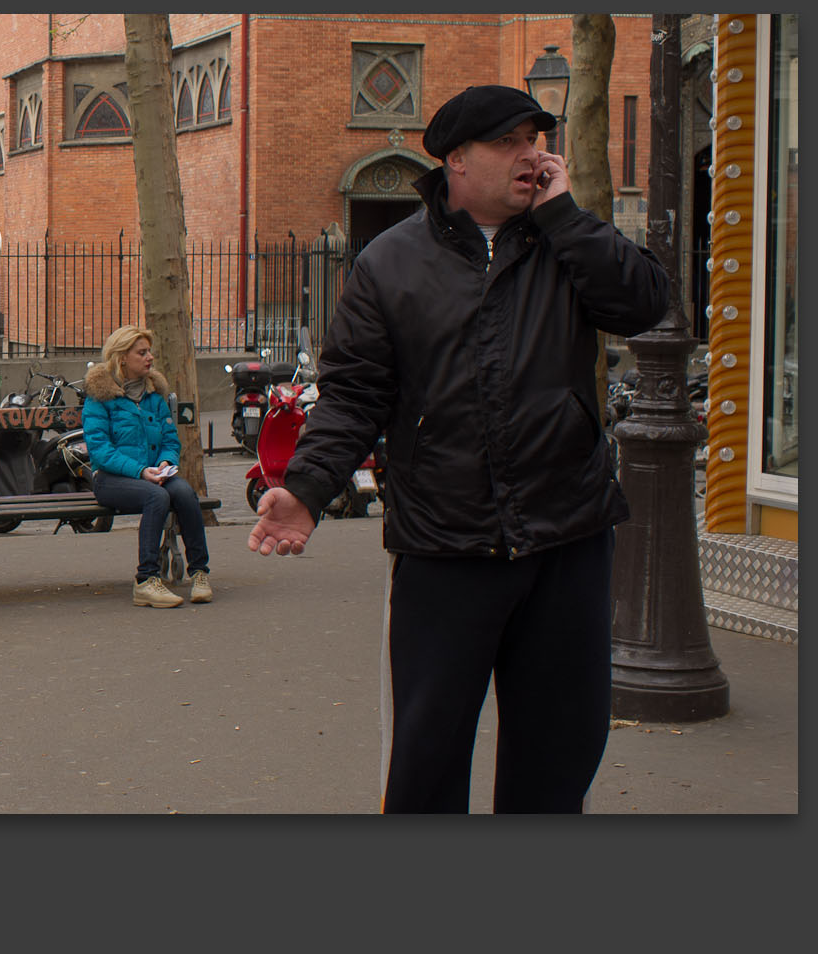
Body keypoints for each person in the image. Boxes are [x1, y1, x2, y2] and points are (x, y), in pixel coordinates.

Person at [246, 84, 669, 813]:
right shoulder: (389, 264)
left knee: (558, 751)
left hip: (566, 534)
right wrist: (308, 488)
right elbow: (353, 395)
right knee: (428, 752)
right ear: (456, 162)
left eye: (537, 138)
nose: (531, 155)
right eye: (511, 142)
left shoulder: (565, 240)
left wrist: (565, 216)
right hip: (445, 544)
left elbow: (644, 305)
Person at [82, 324, 212, 609]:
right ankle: (146, 580)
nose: (149, 357)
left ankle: (200, 573)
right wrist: (141, 472)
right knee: (157, 496)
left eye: (149, 351)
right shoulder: (99, 399)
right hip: (112, 479)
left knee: (185, 493)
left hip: (155, 473)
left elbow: (170, 440)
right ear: (122, 358)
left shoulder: (154, 397)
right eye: (142, 352)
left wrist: (166, 462)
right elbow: (101, 452)